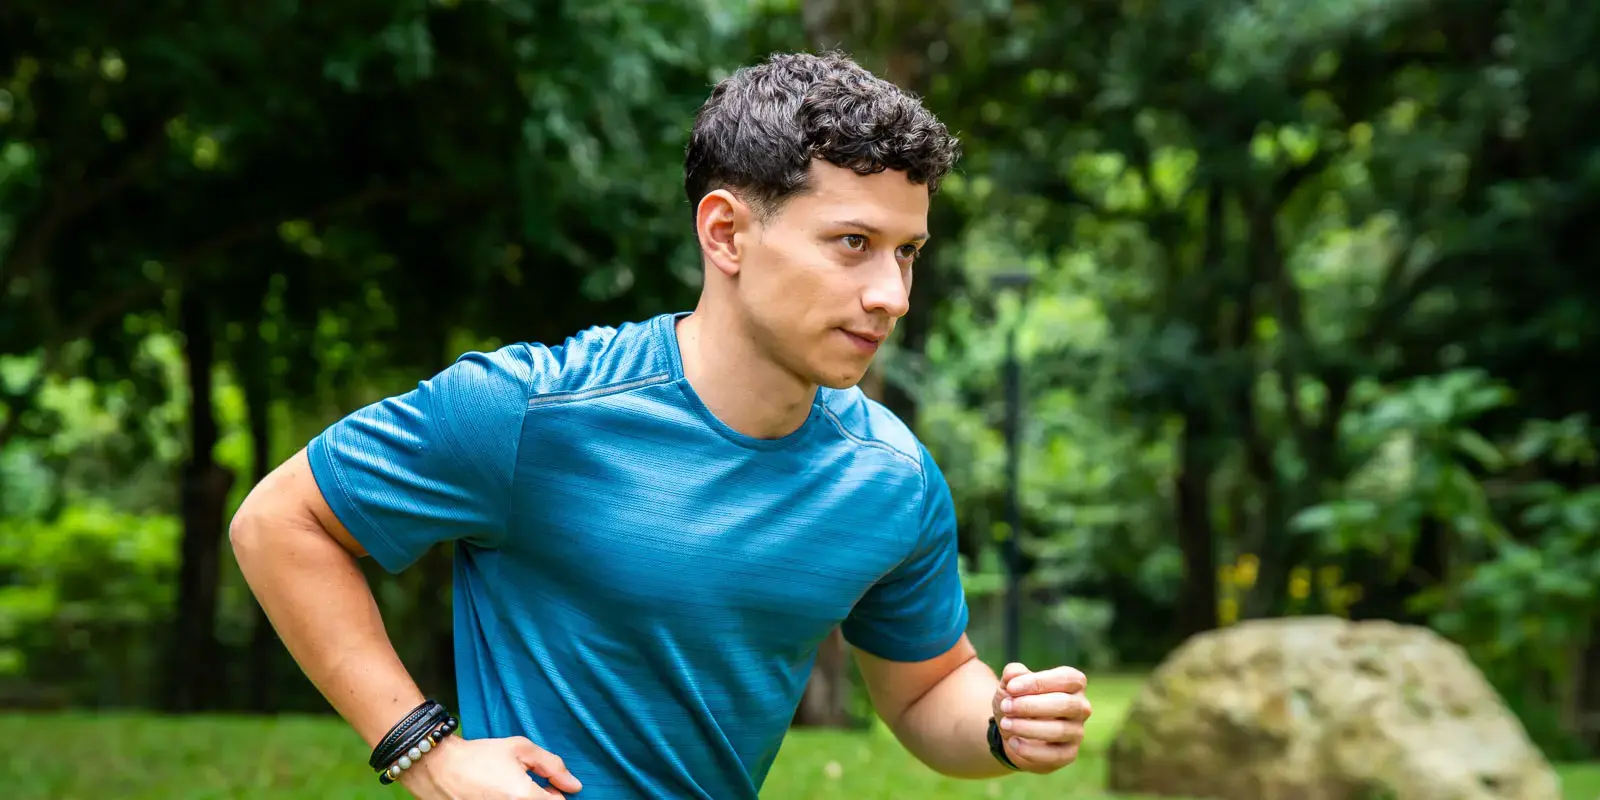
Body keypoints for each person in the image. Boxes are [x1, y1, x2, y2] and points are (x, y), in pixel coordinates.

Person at [231, 50, 1092, 799]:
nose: (891, 296)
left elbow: (926, 689)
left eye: (907, 252)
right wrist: (422, 748)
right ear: (725, 234)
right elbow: (280, 522)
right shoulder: (532, 409)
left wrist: (1003, 725)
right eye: (853, 243)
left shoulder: (891, 479)